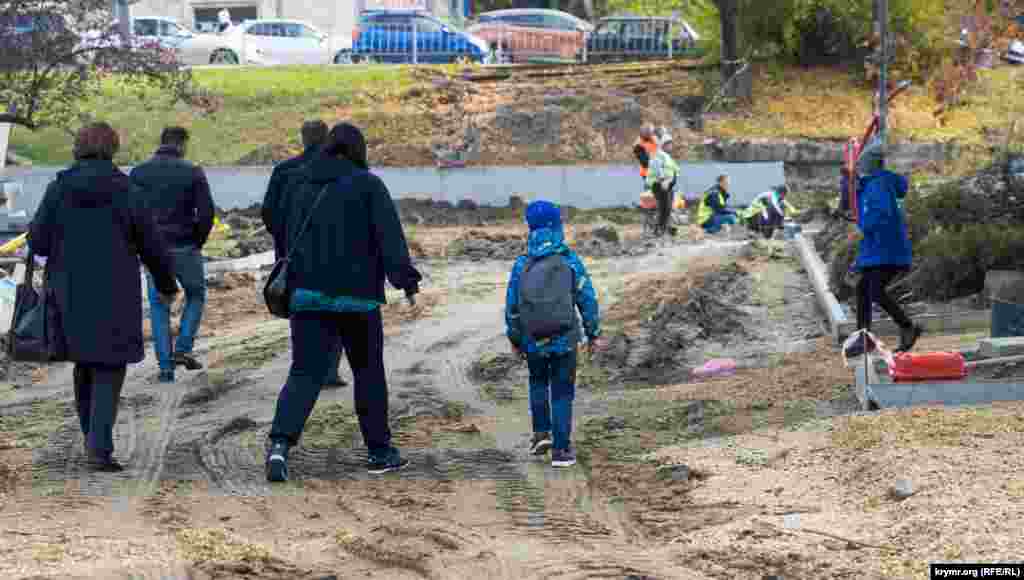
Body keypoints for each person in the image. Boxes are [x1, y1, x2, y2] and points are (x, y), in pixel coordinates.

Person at [265, 122, 422, 482]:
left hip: (307, 295)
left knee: (304, 373)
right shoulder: (368, 185)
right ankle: (380, 452)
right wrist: (406, 283)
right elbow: (390, 241)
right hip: (359, 299)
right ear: (358, 150)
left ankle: (279, 445)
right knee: (368, 373)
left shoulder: (298, 183)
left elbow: (282, 233)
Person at [29, 122, 179, 471]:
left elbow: (37, 242)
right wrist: (167, 283)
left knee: (83, 361)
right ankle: (99, 447)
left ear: (78, 148)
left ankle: (92, 438)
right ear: (112, 149)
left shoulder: (59, 188)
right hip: (115, 289)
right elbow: (152, 244)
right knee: (109, 365)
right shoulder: (127, 190)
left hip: (69, 289)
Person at [505, 200, 606, 468]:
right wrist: (594, 333)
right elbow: (587, 299)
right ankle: (561, 450)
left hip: (532, 339)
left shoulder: (521, 264)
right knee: (562, 391)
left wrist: (515, 339)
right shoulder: (570, 260)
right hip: (565, 339)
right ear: (558, 225)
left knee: (538, 382)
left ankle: (541, 434)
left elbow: (513, 308)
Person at [262, 120, 347, 387]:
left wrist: (285, 241)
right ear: (327, 139)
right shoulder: (343, 170)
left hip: (293, 254)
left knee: (300, 312)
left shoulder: (284, 171)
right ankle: (331, 370)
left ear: (303, 139)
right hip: (333, 255)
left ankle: (305, 370)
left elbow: (269, 212)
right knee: (334, 311)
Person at [130, 127, 215, 383]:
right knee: (196, 294)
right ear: (182, 144)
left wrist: (139, 244)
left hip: (153, 250)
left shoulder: (139, 173)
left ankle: (165, 369)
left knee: (158, 306)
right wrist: (196, 241)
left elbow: (130, 213)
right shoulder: (193, 171)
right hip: (185, 245)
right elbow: (207, 213)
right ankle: (184, 347)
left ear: (162, 142)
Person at [843, 141, 923, 358]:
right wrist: (848, 182)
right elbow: (851, 205)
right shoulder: (870, 184)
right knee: (863, 289)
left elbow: (882, 214)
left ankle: (907, 326)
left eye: (859, 165)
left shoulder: (877, 184)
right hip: (877, 248)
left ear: (867, 165)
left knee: (874, 291)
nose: (857, 169)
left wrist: (863, 226)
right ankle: (864, 338)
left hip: (886, 247)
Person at [646, 130, 680, 236]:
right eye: (669, 144)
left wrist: (672, 180)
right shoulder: (659, 154)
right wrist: (663, 180)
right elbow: (657, 168)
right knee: (664, 208)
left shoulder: (668, 157)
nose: (671, 146)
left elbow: (674, 171)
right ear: (664, 145)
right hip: (660, 184)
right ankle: (659, 230)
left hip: (668, 185)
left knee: (668, 208)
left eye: (671, 144)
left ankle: (664, 229)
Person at [632, 123, 658, 190]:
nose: (651, 134)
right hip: (647, 172)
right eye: (649, 133)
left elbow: (661, 150)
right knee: (651, 187)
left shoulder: (654, 139)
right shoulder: (638, 145)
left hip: (658, 169)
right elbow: (644, 162)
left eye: (652, 132)